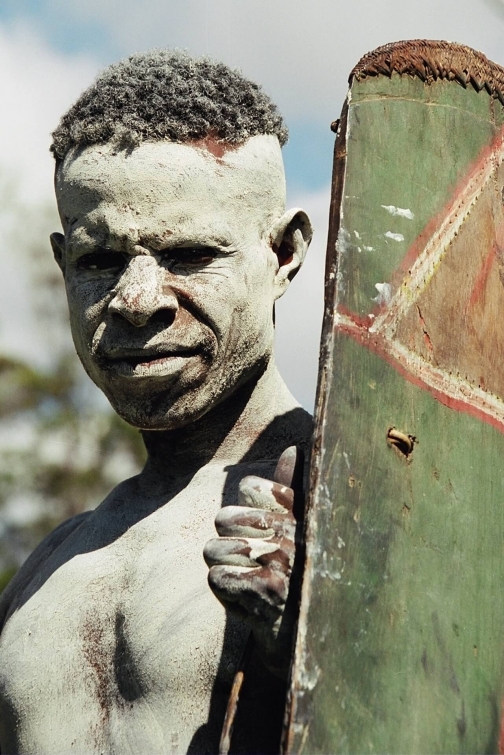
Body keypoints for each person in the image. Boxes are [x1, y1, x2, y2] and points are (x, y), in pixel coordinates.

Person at [0, 50, 313, 754]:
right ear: (62, 264)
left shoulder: (365, 520)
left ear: (284, 255)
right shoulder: (44, 571)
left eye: (191, 254)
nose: (137, 301)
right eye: (100, 261)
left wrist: (336, 642)